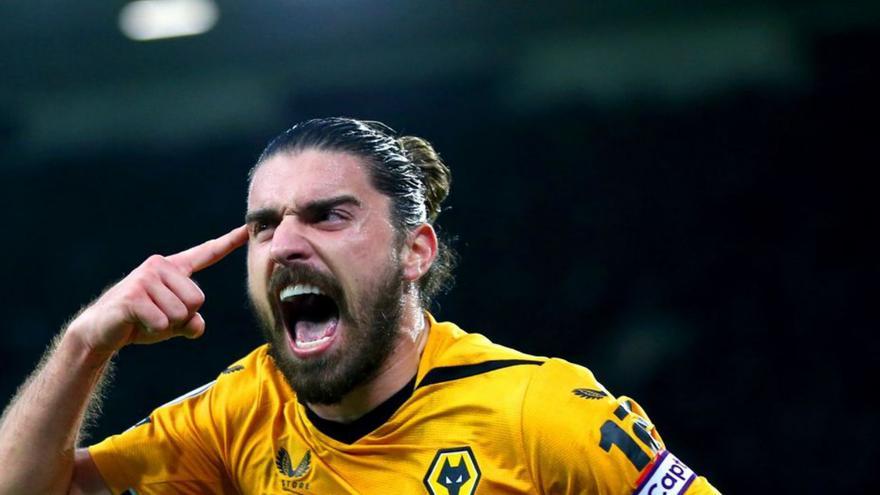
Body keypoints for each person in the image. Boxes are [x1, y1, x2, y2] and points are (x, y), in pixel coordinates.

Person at [0, 117, 719, 494]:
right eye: (264, 224)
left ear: (416, 251)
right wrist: (83, 346)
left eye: (328, 216)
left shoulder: (548, 413)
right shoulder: (239, 413)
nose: (285, 244)